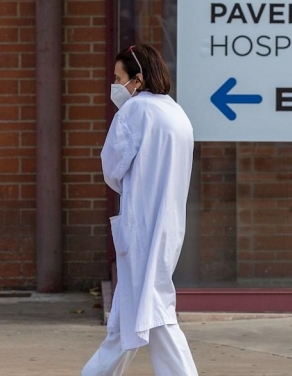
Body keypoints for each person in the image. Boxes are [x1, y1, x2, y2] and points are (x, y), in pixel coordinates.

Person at [82, 44, 198, 376]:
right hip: (167, 225)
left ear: (138, 79)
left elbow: (112, 167)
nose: (115, 86)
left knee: (153, 311)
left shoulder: (135, 112)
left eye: (119, 79)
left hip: (141, 227)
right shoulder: (177, 113)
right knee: (131, 316)